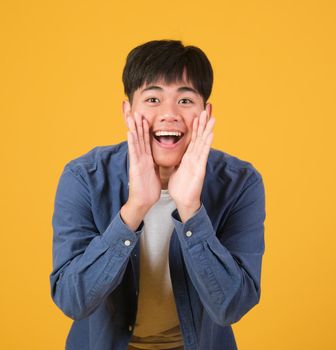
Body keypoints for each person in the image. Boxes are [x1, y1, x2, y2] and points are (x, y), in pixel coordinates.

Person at [49, 39, 266, 350]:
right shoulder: (84, 177)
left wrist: (190, 209)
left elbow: (231, 306)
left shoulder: (240, 183)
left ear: (205, 112)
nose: (169, 114)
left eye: (185, 101)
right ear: (128, 112)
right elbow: (73, 300)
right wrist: (134, 208)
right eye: (152, 99)